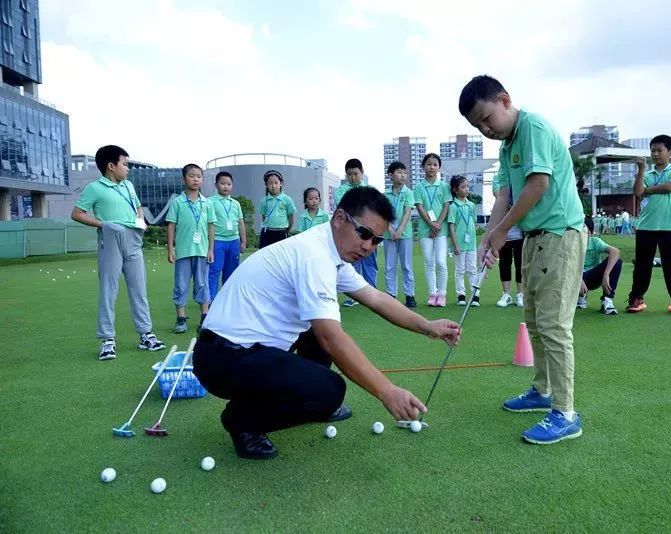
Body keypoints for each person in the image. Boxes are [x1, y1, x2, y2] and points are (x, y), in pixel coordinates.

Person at [193, 187, 461, 459]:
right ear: (339, 219)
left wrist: (428, 326)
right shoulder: (314, 255)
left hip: (247, 351)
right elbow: (331, 339)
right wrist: (387, 391)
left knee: (320, 322)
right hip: (222, 358)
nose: (368, 246)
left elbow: (376, 298)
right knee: (330, 390)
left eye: (377, 240)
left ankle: (301, 399)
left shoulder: (329, 251)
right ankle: (241, 422)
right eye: (364, 233)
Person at [460, 75, 586, 445]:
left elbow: (538, 185)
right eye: (476, 126)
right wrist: (490, 233)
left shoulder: (532, 127)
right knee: (533, 320)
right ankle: (542, 391)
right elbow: (505, 193)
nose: (485, 129)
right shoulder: (507, 145)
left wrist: (503, 231)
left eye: (486, 119)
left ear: (504, 100)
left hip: (560, 234)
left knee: (554, 326)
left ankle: (565, 413)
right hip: (535, 237)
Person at [71, 145, 165, 360]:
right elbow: (76, 214)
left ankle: (146, 335)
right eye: (125, 164)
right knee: (108, 290)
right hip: (111, 239)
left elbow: (138, 207)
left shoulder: (129, 185)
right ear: (111, 166)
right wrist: (103, 225)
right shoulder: (95, 188)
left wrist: (140, 221)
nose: (128, 169)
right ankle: (107, 340)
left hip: (133, 239)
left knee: (139, 288)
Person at [627, 135, 671, 315]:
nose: (655, 154)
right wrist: (640, 170)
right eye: (653, 150)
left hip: (670, 227)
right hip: (646, 227)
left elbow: (670, 187)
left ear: (670, 152)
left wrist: (649, 190)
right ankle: (636, 298)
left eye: (659, 150)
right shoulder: (646, 174)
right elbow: (638, 192)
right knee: (642, 266)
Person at [166, 163, 216, 333]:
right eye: (191, 176)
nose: (195, 179)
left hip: (202, 252)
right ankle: (181, 319)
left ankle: (205, 317)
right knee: (181, 285)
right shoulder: (177, 202)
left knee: (203, 284)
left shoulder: (207, 203)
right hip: (183, 252)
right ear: (183, 179)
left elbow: (211, 227)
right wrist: (170, 249)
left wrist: (210, 250)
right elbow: (171, 226)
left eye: (199, 176)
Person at [335, 158, 378, 306]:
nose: (353, 177)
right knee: (352, 262)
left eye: (355, 173)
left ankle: (372, 293)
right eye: (349, 174)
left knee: (370, 262)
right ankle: (352, 297)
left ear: (362, 173)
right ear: (346, 175)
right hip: (351, 233)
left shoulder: (370, 190)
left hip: (369, 232)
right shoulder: (340, 191)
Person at [414, 153, 452, 307]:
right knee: (429, 262)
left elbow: (446, 206)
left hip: (441, 231)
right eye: (429, 164)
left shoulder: (444, 186)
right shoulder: (418, 187)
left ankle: (442, 295)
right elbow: (420, 207)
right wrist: (431, 224)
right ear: (423, 166)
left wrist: (437, 225)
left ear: (439, 167)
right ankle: (432, 293)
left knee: (441, 262)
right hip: (425, 231)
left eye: (435, 164)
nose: (432, 167)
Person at [208, 171, 246, 301]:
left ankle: (227, 298)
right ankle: (211, 299)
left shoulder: (235, 203)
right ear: (216, 185)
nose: (226, 186)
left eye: (229, 184)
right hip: (217, 241)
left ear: (232, 186)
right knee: (214, 271)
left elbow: (240, 223)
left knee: (231, 272)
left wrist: (243, 241)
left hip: (234, 241)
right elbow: (208, 224)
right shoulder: (210, 202)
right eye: (222, 183)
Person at [383, 161, 417, 307]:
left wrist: (399, 231)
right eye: (399, 172)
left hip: (405, 234)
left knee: (406, 265)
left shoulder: (409, 193)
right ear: (391, 175)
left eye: (404, 172)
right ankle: (391, 294)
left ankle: (410, 295)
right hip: (388, 234)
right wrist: (391, 230)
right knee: (390, 266)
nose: (403, 175)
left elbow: (407, 213)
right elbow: (383, 215)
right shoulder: (385, 194)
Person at [577, 217, 622, 315]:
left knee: (617, 261)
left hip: (592, 278)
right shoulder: (572, 244)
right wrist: (578, 279)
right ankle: (578, 297)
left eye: (586, 232)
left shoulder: (595, 242)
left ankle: (607, 300)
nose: (583, 235)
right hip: (573, 279)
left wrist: (606, 274)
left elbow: (616, 252)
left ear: (591, 233)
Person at [448, 175, 479, 307]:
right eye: (463, 187)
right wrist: (455, 244)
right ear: (455, 189)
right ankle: (461, 295)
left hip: (471, 244)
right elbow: (451, 226)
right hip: (458, 245)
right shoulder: (453, 206)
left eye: (467, 186)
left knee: (472, 269)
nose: (467, 189)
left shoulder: (471, 205)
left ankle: (475, 295)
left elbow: (474, 222)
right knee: (460, 270)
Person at [494, 180, 524, 308]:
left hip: (520, 232)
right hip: (504, 234)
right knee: (504, 264)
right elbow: (500, 197)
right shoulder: (498, 178)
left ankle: (520, 294)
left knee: (520, 264)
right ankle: (506, 294)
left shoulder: (520, 177)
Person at [259, 170, 296, 248]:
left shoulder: (287, 199)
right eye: (270, 183)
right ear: (266, 185)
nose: (273, 186)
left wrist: (286, 231)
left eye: (276, 183)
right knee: (266, 255)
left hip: (282, 233)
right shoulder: (264, 201)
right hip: (267, 233)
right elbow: (264, 217)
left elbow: (291, 218)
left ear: (281, 183)